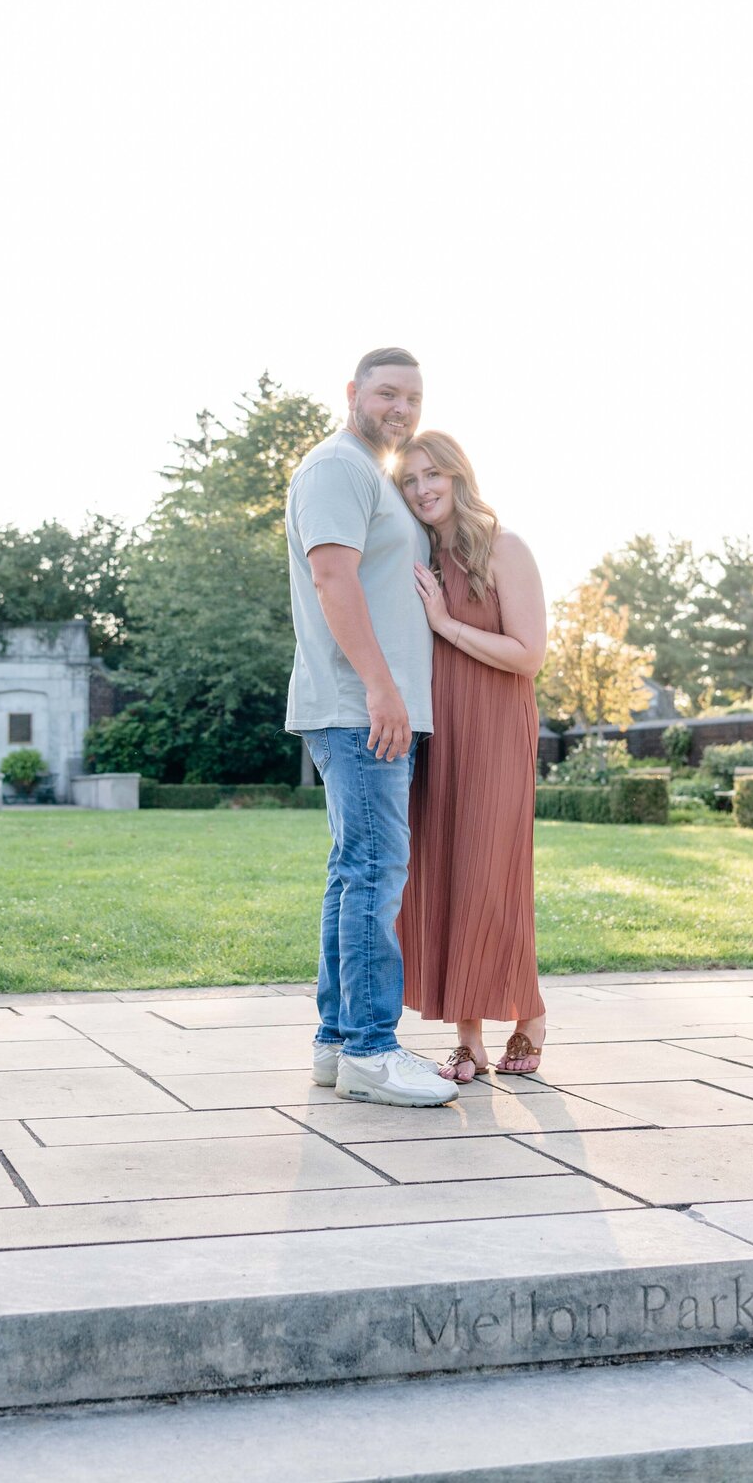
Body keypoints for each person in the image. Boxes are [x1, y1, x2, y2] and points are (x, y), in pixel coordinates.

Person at [285, 348, 456, 1108]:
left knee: (355, 870)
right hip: (362, 711)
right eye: (388, 393)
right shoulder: (338, 468)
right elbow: (332, 577)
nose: (402, 409)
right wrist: (383, 689)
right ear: (353, 393)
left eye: (413, 398)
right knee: (375, 872)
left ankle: (335, 1042)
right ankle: (369, 1050)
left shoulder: (372, 474)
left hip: (372, 709)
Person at [396, 431, 548, 1079]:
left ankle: (530, 1014)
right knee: (450, 875)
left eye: (433, 475)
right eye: (410, 480)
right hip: (439, 734)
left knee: (493, 874)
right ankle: (468, 1038)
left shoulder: (505, 548)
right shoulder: (419, 558)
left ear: (459, 476)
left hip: (496, 730)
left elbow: (529, 654)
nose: (424, 488)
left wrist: (446, 626)